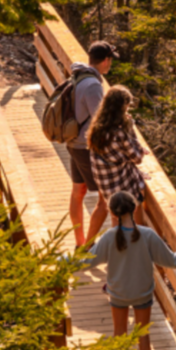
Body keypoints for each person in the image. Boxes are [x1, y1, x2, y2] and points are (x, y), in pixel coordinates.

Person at [83, 191, 176, 350]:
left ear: (111, 211)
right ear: (134, 208)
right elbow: (172, 261)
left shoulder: (109, 237)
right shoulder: (147, 235)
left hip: (118, 295)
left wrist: (63, 260)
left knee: (119, 335)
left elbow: (87, 262)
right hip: (142, 294)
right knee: (143, 336)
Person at [68, 41, 120, 247]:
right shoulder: (93, 85)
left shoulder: (78, 76)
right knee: (104, 199)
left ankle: (80, 243)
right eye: (110, 61)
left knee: (77, 192)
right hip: (86, 147)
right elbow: (100, 119)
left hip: (73, 142)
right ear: (106, 61)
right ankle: (88, 246)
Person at [86, 85, 147, 227]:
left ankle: (118, 243)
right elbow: (137, 158)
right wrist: (130, 129)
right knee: (138, 196)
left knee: (116, 218)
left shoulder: (96, 128)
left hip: (104, 184)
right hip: (118, 185)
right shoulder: (118, 132)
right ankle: (139, 234)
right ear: (122, 107)